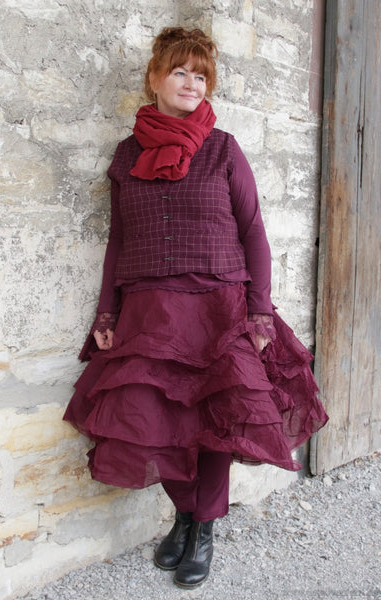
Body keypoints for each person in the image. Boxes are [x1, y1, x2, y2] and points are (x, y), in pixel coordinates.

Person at [63, 27, 328, 589]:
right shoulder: (127, 154)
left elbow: (253, 232)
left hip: (218, 308)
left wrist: (259, 312)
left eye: (201, 75)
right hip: (150, 312)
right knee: (155, 421)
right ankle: (185, 515)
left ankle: (203, 529)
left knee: (216, 424)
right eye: (180, 71)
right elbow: (118, 240)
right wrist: (107, 312)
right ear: (155, 78)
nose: (191, 83)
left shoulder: (224, 148)